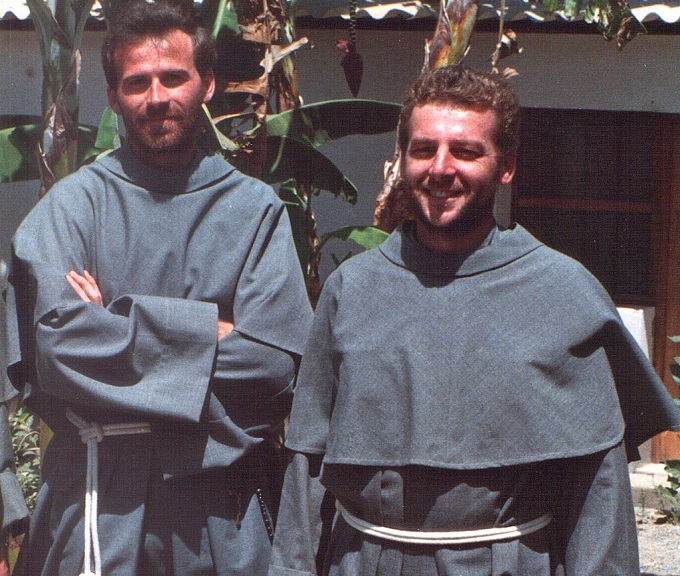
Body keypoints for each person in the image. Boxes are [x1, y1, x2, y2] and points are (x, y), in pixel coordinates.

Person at [268, 65, 680, 576]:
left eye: (465, 151)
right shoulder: (351, 290)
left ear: (506, 167)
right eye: (424, 149)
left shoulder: (564, 292)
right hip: (364, 561)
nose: (441, 168)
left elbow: (599, 488)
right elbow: (306, 465)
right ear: (402, 159)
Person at [4, 1, 312, 574]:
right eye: (136, 82)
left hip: (221, 506)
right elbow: (58, 348)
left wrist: (114, 322)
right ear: (114, 96)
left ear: (207, 84)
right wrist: (209, 330)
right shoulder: (72, 208)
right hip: (95, 500)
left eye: (174, 77)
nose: (156, 97)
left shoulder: (254, 210)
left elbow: (273, 367)